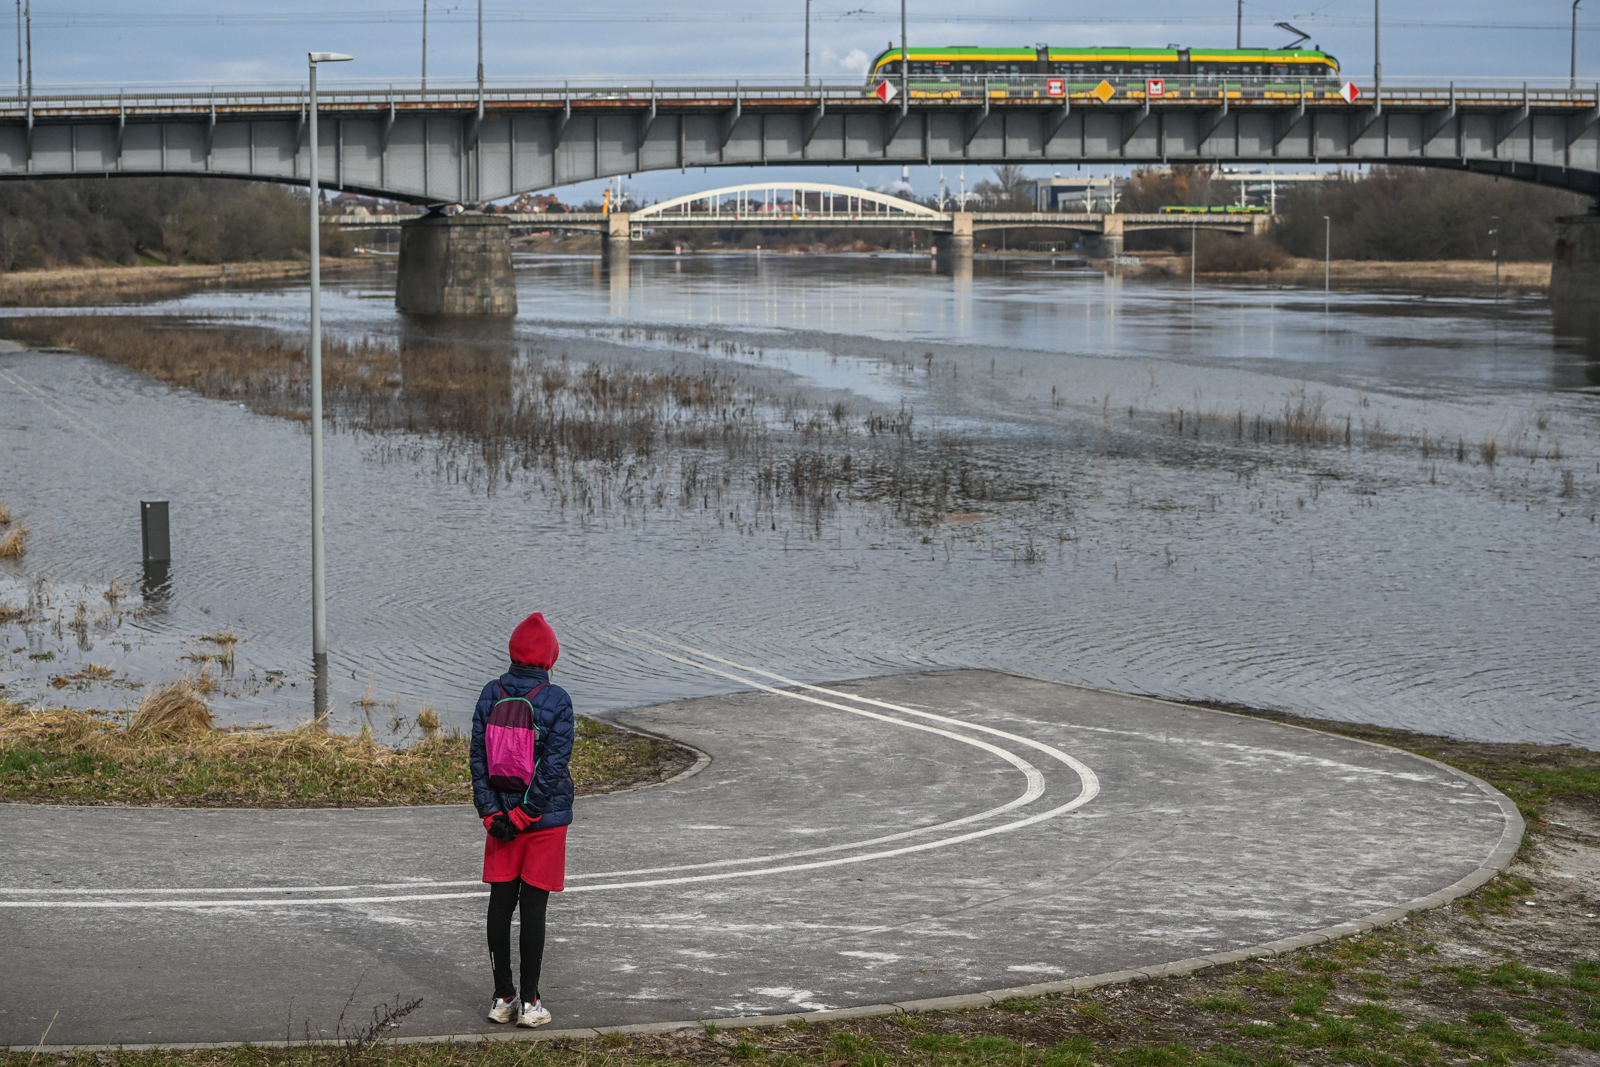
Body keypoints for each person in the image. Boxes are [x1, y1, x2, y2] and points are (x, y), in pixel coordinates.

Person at [469, 611, 575, 1029]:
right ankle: (531, 1003)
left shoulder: (490, 693)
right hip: (542, 822)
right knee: (534, 908)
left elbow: (478, 759)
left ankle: (501, 997)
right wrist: (524, 814)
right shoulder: (558, 700)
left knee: (499, 906)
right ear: (549, 658)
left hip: (499, 823)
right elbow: (553, 767)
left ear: (514, 653)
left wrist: (492, 813)